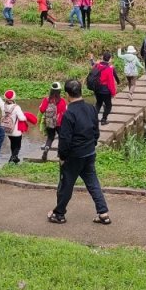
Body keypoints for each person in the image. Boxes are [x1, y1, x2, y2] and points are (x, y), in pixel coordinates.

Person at [47, 79, 110, 225]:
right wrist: (91, 145)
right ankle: (103, 213)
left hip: (74, 156)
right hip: (89, 152)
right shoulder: (91, 108)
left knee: (65, 185)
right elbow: (96, 132)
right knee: (93, 183)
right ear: (81, 90)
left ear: (67, 94)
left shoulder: (69, 113)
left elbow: (65, 139)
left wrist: (62, 156)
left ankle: (59, 214)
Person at [89, 51, 120, 124]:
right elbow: (111, 83)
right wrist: (113, 93)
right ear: (110, 59)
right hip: (105, 90)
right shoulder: (109, 69)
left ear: (102, 58)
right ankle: (103, 119)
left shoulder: (97, 65)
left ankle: (93, 120)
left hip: (97, 88)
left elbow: (92, 65)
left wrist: (91, 59)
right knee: (108, 106)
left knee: (98, 103)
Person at [39, 82, 67, 161]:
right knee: (61, 137)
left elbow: (41, 110)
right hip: (59, 123)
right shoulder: (62, 101)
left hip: (49, 122)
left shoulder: (46, 100)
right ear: (59, 91)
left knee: (50, 138)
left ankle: (46, 149)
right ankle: (59, 153)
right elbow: (65, 112)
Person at [1, 89, 25, 164]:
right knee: (18, 145)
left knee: (12, 144)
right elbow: (21, 118)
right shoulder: (16, 107)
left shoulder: (3, 106)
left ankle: (15, 158)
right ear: (14, 97)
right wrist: (26, 116)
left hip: (7, 130)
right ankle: (12, 158)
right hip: (16, 131)